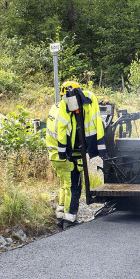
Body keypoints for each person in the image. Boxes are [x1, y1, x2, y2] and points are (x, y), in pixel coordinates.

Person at [44, 81, 106, 225]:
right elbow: (66, 133)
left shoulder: (55, 108)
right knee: (74, 187)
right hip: (65, 156)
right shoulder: (69, 111)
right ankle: (69, 219)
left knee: (65, 185)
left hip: (54, 155)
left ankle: (60, 217)